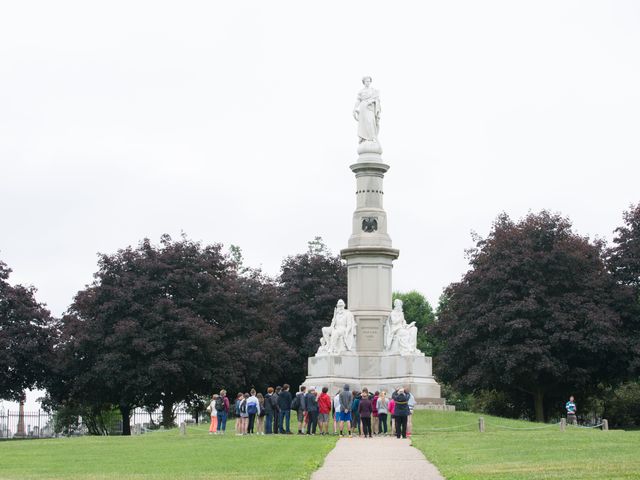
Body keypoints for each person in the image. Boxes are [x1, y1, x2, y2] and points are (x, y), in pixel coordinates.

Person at [353, 76, 381, 144]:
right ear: (364, 82)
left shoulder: (374, 90)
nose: (368, 83)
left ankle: (372, 137)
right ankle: (364, 138)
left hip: (370, 108)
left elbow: (377, 99)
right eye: (366, 81)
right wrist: (355, 108)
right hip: (363, 108)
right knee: (363, 123)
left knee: (371, 121)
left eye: (369, 81)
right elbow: (358, 100)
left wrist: (371, 101)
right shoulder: (361, 91)